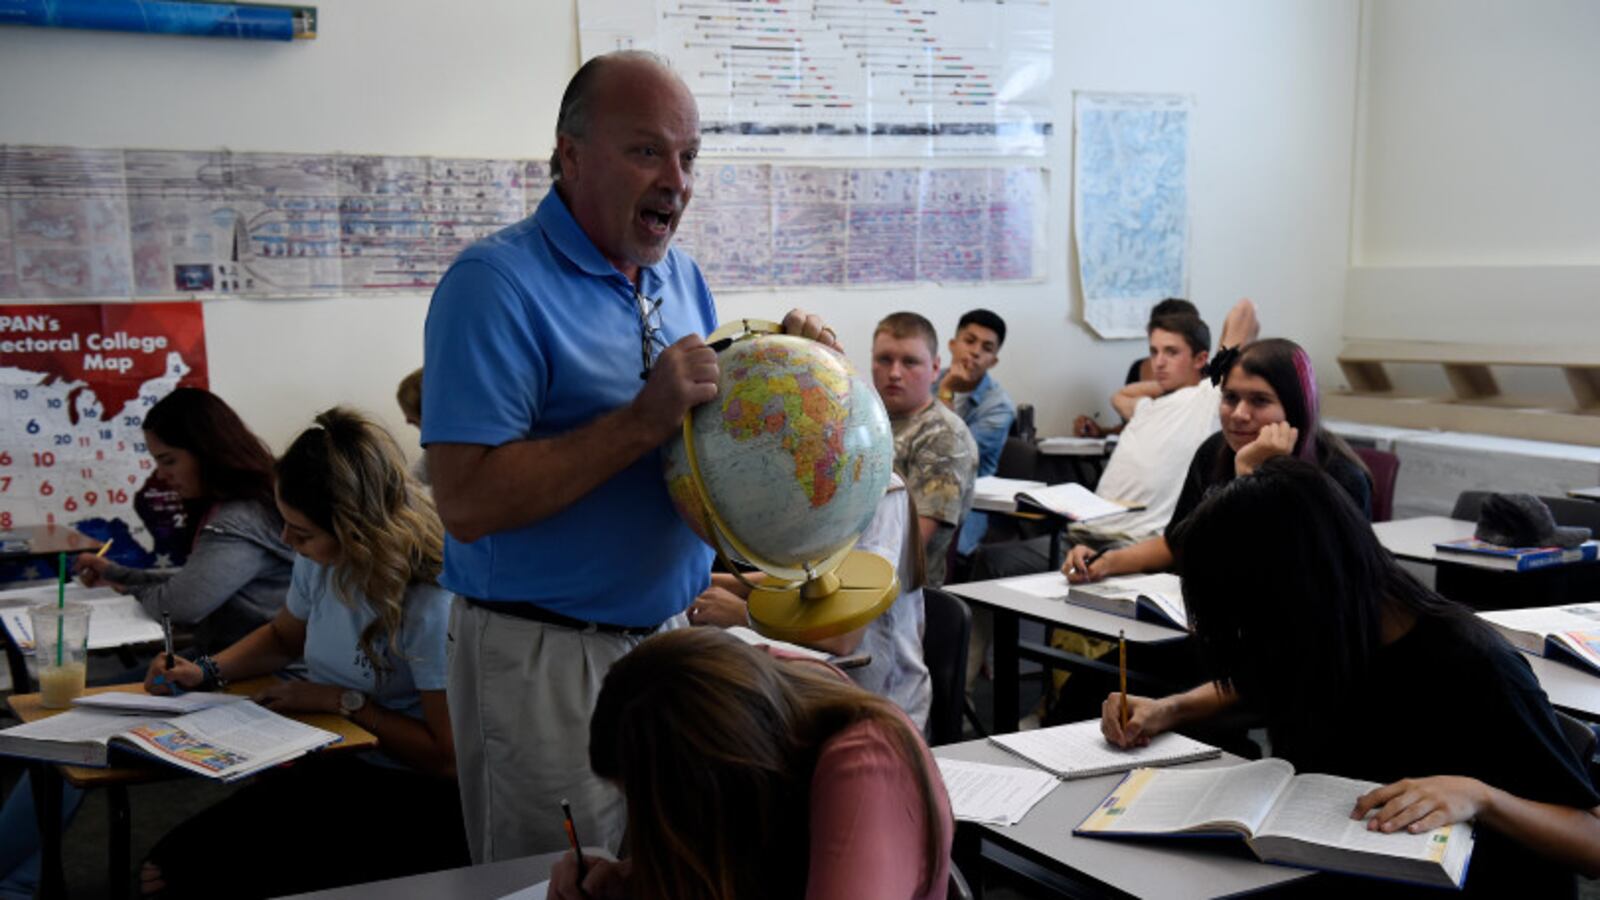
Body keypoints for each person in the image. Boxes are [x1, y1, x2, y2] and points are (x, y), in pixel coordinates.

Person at [421, 49, 836, 861]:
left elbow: (699, 450)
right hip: (543, 656)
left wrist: (789, 379)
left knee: (671, 872)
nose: (677, 180)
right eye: (647, 150)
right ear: (570, 154)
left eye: (689, 157)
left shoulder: (679, 278)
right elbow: (466, 503)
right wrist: (641, 418)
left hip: (671, 643)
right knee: (559, 882)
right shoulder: (492, 284)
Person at [1103, 457, 1600, 898]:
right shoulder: (1316, 633)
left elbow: (1591, 842)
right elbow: (1256, 686)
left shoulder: (1473, 665)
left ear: (1297, 586)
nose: (1248, 634)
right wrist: (1167, 708)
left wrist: (1481, 797)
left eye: (1249, 617)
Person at [138, 409, 466, 898]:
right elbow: (282, 639)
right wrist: (204, 670)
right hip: (337, 758)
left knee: (198, 877)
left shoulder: (429, 600)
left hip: (413, 793)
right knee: (164, 868)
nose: (287, 541)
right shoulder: (322, 562)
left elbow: (445, 760)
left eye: (302, 531)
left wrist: (343, 701)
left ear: (357, 530)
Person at [549, 627, 953, 900]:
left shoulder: (868, 767)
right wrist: (630, 881)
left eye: (663, 815)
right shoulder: (764, 700)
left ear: (717, 781)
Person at [1064, 337, 1371, 583]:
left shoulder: (1340, 477)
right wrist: (1105, 562)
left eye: (1260, 401)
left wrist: (1251, 476)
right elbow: (1178, 543)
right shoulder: (1214, 451)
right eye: (1230, 397)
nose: (1238, 414)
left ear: (1296, 410)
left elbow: (1289, 574)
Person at [688, 475, 933, 733]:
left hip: (878, 713)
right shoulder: (816, 475)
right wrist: (711, 582)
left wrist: (743, 614)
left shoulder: (878, 490)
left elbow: (843, 636)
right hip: (812, 696)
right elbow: (808, 575)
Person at [74, 387, 294, 652]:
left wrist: (120, 589)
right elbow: (193, 580)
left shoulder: (239, 519)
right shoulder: (234, 505)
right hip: (227, 658)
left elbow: (179, 606)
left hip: (258, 671)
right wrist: (116, 573)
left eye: (169, 461)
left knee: (92, 692)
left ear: (207, 451)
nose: (162, 475)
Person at [872, 311, 978, 587]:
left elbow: (904, 550)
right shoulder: (867, 422)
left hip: (896, 596)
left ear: (934, 368)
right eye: (884, 359)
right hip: (842, 574)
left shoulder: (944, 436)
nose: (894, 373)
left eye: (910, 362)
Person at [934, 308, 1015, 560]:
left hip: (967, 501)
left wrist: (946, 391)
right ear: (952, 344)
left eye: (987, 348)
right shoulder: (927, 377)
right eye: (969, 341)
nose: (976, 352)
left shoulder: (1000, 407)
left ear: (994, 360)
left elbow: (952, 456)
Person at [1076, 297, 1201, 437]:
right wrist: (1101, 432)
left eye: (1172, 350)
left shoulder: (1209, 382)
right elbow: (1131, 427)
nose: (1161, 362)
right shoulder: (1138, 368)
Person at [395, 367, 430, 485]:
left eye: (413, 419)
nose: (407, 421)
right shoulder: (432, 452)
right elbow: (413, 482)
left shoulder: (442, 453)